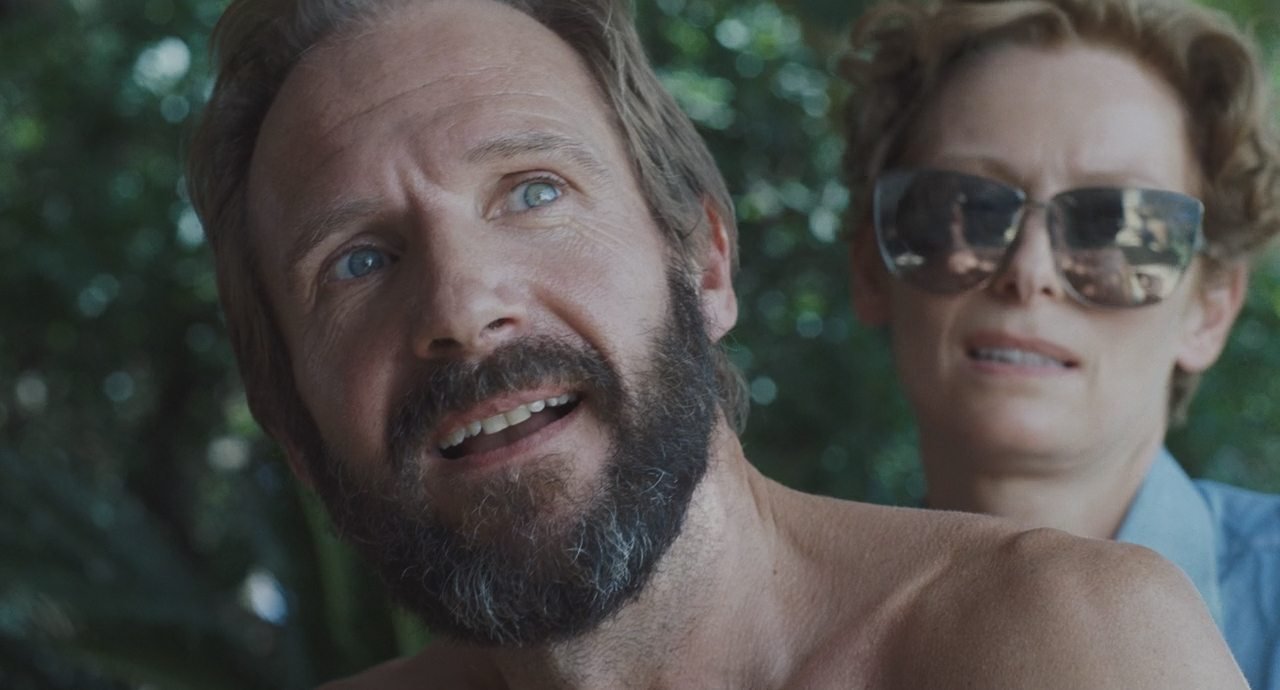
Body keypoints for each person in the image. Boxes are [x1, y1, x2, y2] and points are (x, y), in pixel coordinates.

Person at [188, 0, 1247, 687]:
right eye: (357, 262)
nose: (461, 308)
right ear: (289, 420)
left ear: (702, 261)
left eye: (534, 191)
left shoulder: (1067, 645)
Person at [842, 0, 1280, 686]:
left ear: (1210, 309)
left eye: (1116, 228)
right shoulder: (796, 642)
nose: (1029, 272)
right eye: (968, 209)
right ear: (871, 268)